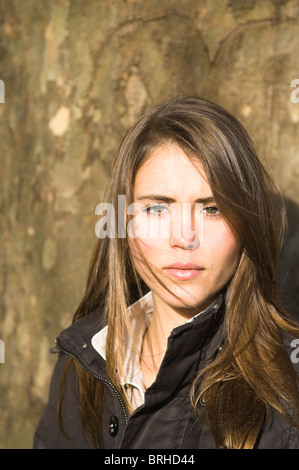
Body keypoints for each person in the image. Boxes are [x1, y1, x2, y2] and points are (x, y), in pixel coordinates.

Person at [34, 95, 299, 449]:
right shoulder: (80, 363)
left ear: (248, 224)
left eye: (212, 209)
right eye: (158, 208)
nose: (184, 238)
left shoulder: (289, 387)